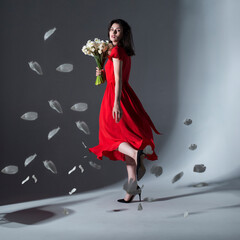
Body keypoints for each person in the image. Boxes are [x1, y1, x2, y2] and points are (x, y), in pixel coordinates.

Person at [89, 19, 161, 203]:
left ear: (124, 34)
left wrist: (116, 103)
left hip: (116, 97)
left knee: (110, 137)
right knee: (125, 139)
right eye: (111, 30)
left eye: (118, 31)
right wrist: (101, 74)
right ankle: (131, 189)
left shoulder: (116, 51)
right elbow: (111, 77)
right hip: (119, 94)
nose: (113, 33)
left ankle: (138, 154)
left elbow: (119, 79)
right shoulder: (116, 52)